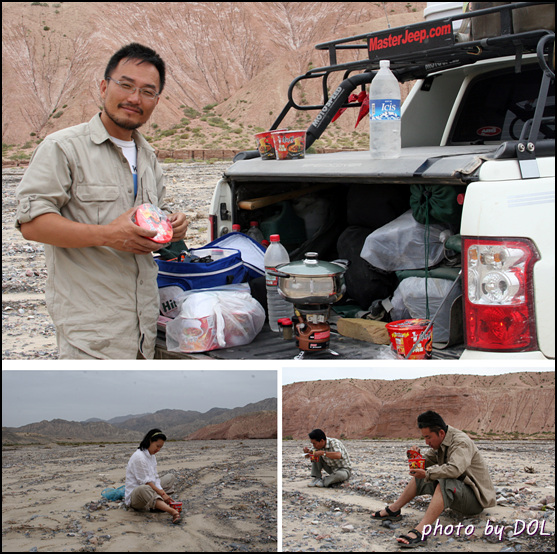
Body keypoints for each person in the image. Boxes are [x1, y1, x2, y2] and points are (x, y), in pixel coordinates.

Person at [15, 42, 188, 359]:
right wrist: (108, 235)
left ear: (156, 100)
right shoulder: (63, 147)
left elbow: (148, 225)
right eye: (126, 85)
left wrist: (171, 229)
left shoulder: (148, 158)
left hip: (144, 330)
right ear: (104, 86)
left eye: (147, 91)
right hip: (91, 333)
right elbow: (32, 224)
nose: (135, 98)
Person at [371, 410, 496, 548]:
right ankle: (394, 510)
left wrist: (427, 473)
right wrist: (415, 457)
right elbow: (424, 464)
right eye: (424, 438)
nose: (426, 442)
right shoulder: (440, 443)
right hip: (460, 494)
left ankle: (421, 531)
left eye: (428, 437)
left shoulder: (460, 442)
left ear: (441, 433)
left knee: (444, 480)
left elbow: (454, 470)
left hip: (475, 501)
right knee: (422, 477)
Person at [125, 428, 181, 524]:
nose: (158, 449)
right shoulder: (139, 457)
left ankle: (157, 504)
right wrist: (163, 494)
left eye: (160, 447)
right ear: (150, 441)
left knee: (170, 477)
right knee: (144, 488)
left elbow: (155, 478)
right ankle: (172, 512)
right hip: (137, 497)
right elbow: (146, 482)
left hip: (150, 488)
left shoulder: (151, 456)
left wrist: (163, 493)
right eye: (157, 446)